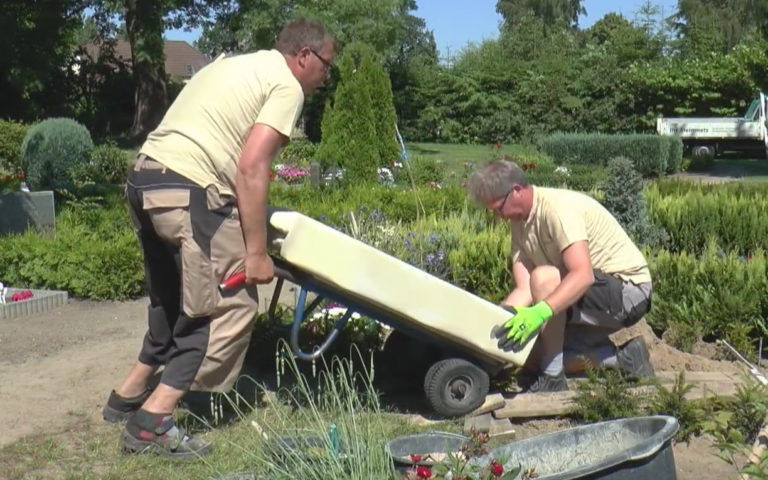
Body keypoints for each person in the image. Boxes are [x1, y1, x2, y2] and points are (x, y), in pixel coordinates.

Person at [101, 19, 335, 459]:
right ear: (304, 56)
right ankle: (152, 423)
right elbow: (251, 168)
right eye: (327, 65)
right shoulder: (287, 86)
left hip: (145, 179)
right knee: (220, 307)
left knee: (169, 300)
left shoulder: (230, 65)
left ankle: (128, 394)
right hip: (189, 190)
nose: (326, 77)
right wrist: (256, 252)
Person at [468, 160, 655, 393]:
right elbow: (524, 289)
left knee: (544, 278)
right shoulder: (519, 222)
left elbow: (582, 275)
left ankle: (553, 378)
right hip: (585, 296)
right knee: (527, 355)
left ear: (516, 191)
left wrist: (541, 312)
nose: (499, 217)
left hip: (628, 293)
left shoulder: (558, 209)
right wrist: (494, 329)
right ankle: (624, 358)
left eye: (498, 209)